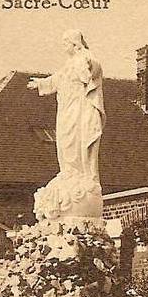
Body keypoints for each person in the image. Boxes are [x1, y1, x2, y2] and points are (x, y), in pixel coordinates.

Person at [27, 28, 106, 220]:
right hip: (65, 109)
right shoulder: (69, 64)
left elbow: (95, 68)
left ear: (74, 43)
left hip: (79, 108)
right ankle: (69, 172)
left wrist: (88, 64)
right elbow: (57, 78)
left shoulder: (85, 57)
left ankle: (79, 173)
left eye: (65, 42)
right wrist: (41, 83)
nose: (63, 46)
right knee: (64, 141)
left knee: (77, 139)